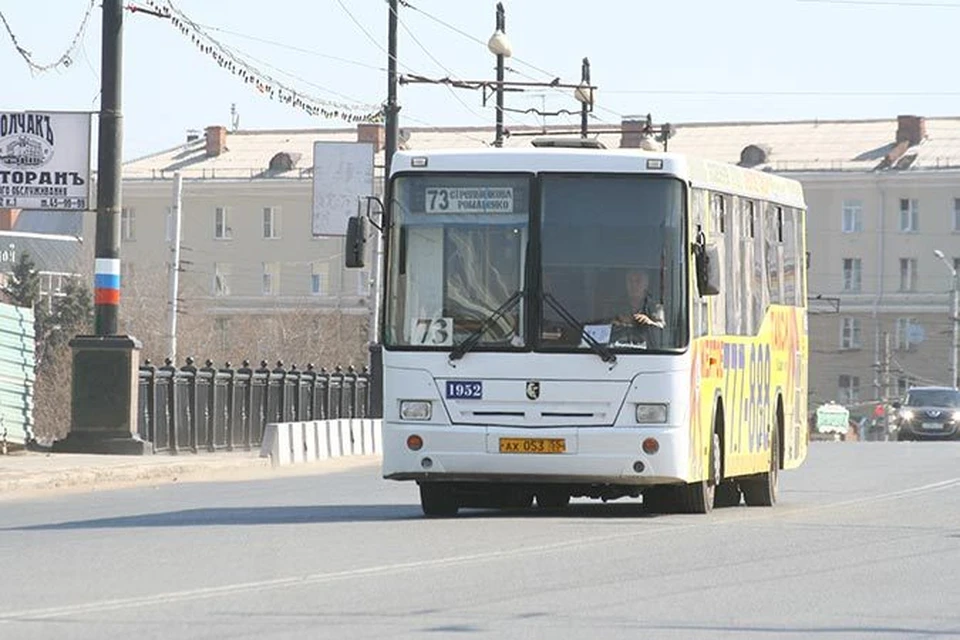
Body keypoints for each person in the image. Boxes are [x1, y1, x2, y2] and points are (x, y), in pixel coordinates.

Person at [610, 269, 664, 347]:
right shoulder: (616, 306)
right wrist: (617, 323)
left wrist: (648, 322)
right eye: (630, 281)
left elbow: (663, 331)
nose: (634, 285)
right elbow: (605, 329)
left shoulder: (655, 307)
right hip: (619, 350)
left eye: (638, 281)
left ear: (646, 284)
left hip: (650, 353)